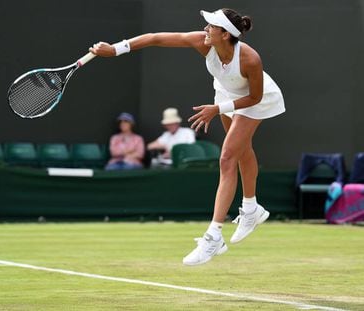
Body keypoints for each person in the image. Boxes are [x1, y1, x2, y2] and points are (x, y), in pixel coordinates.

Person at [90, 8, 285, 265]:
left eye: (211, 26)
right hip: (226, 93)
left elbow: (255, 97)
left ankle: (214, 235)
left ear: (225, 34)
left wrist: (218, 110)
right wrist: (116, 49)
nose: (205, 29)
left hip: (255, 100)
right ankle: (251, 208)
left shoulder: (250, 59)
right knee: (241, 151)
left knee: (227, 158)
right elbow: (155, 38)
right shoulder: (202, 42)